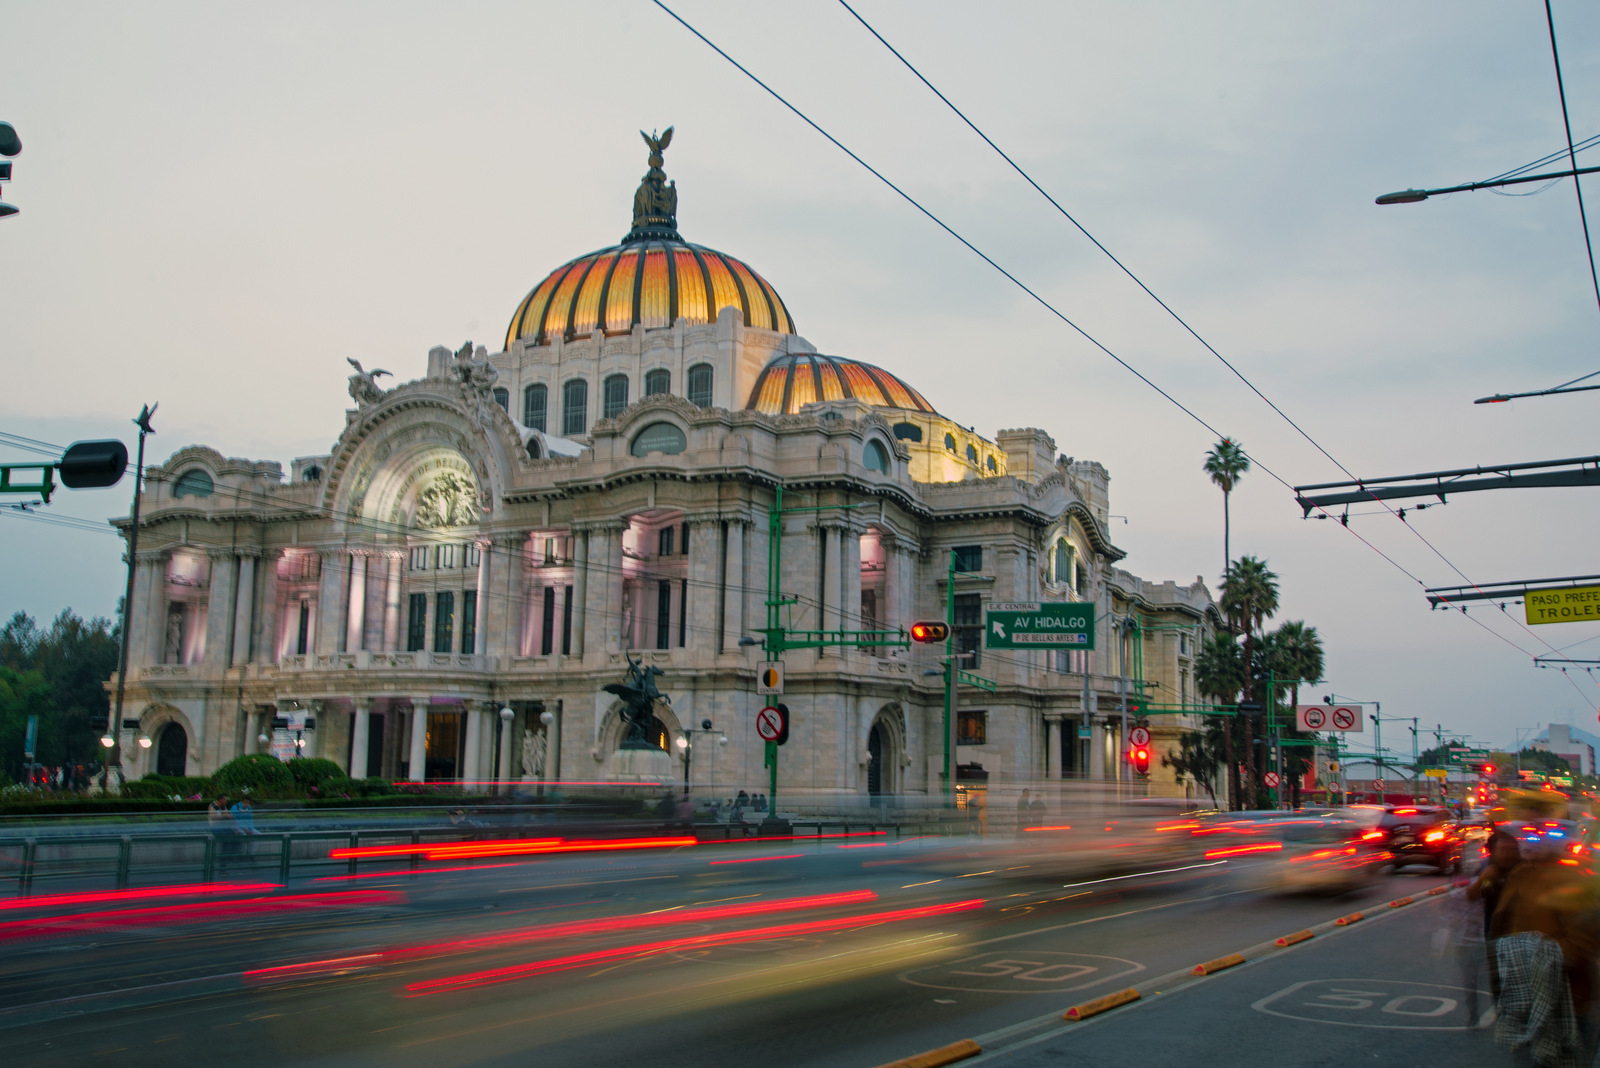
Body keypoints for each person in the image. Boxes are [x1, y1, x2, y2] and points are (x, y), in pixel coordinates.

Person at [1491, 833, 1600, 1067]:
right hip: (1528, 1002)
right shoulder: (1520, 875)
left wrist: (1539, 958)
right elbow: (1503, 928)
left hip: (1569, 1001)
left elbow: (1582, 940)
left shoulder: (1570, 880)